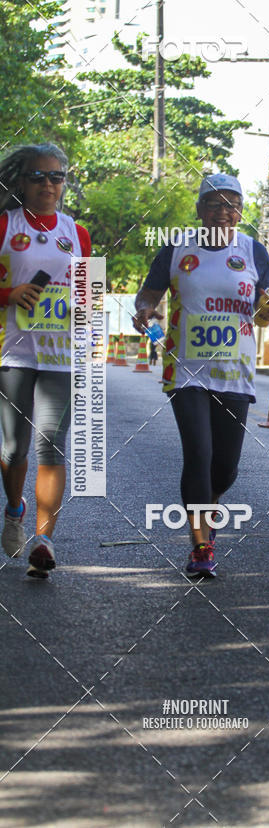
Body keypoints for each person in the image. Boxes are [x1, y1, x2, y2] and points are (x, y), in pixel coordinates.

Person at [134, 174, 269, 578]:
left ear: (240, 211)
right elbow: (150, 292)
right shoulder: (177, 248)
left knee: (225, 469)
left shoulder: (252, 251)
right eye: (214, 204)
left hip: (235, 370)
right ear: (199, 210)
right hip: (186, 368)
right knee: (198, 453)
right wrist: (145, 309)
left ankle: (207, 512)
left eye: (232, 205)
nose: (223, 212)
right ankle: (200, 546)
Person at [0, 143, 91, 576]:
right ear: (20, 181)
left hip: (60, 356)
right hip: (13, 352)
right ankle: (14, 510)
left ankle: (44, 540)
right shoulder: (5, 225)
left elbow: (88, 295)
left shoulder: (77, 232)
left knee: (51, 443)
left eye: (57, 177)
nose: (49, 184)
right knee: (13, 447)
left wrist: (82, 308)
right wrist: (9, 295)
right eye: (39, 176)